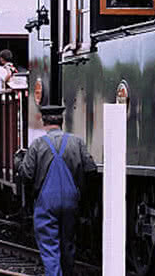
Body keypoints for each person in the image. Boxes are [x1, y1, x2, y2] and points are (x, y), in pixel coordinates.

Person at [15, 105, 97, 276]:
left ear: (44, 122)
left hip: (46, 203)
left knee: (50, 248)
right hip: (71, 202)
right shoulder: (77, 142)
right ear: (62, 121)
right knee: (68, 244)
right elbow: (91, 170)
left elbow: (27, 175)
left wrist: (18, 163)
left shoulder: (37, 145)